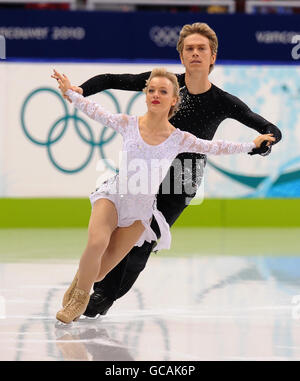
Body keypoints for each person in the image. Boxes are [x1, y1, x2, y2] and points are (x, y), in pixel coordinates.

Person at [52, 22, 282, 319]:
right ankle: (90, 283)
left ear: (213, 56)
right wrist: (80, 90)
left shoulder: (223, 101)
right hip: (145, 174)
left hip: (181, 181)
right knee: (113, 236)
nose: (195, 53)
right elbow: (112, 78)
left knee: (141, 247)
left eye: (202, 49)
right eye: (189, 48)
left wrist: (264, 143)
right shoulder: (165, 85)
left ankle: (103, 295)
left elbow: (267, 128)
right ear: (181, 55)